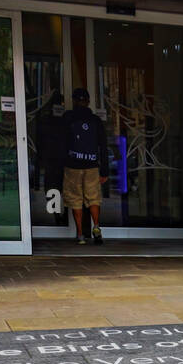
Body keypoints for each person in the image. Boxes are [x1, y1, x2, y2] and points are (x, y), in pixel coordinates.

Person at [60, 87, 108, 245]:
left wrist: (61, 163)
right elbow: (103, 146)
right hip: (92, 165)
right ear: (88, 102)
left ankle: (80, 234)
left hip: (73, 165)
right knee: (93, 198)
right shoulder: (96, 120)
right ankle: (97, 228)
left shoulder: (67, 118)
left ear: (74, 101)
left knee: (76, 200)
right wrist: (104, 170)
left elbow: (61, 143)